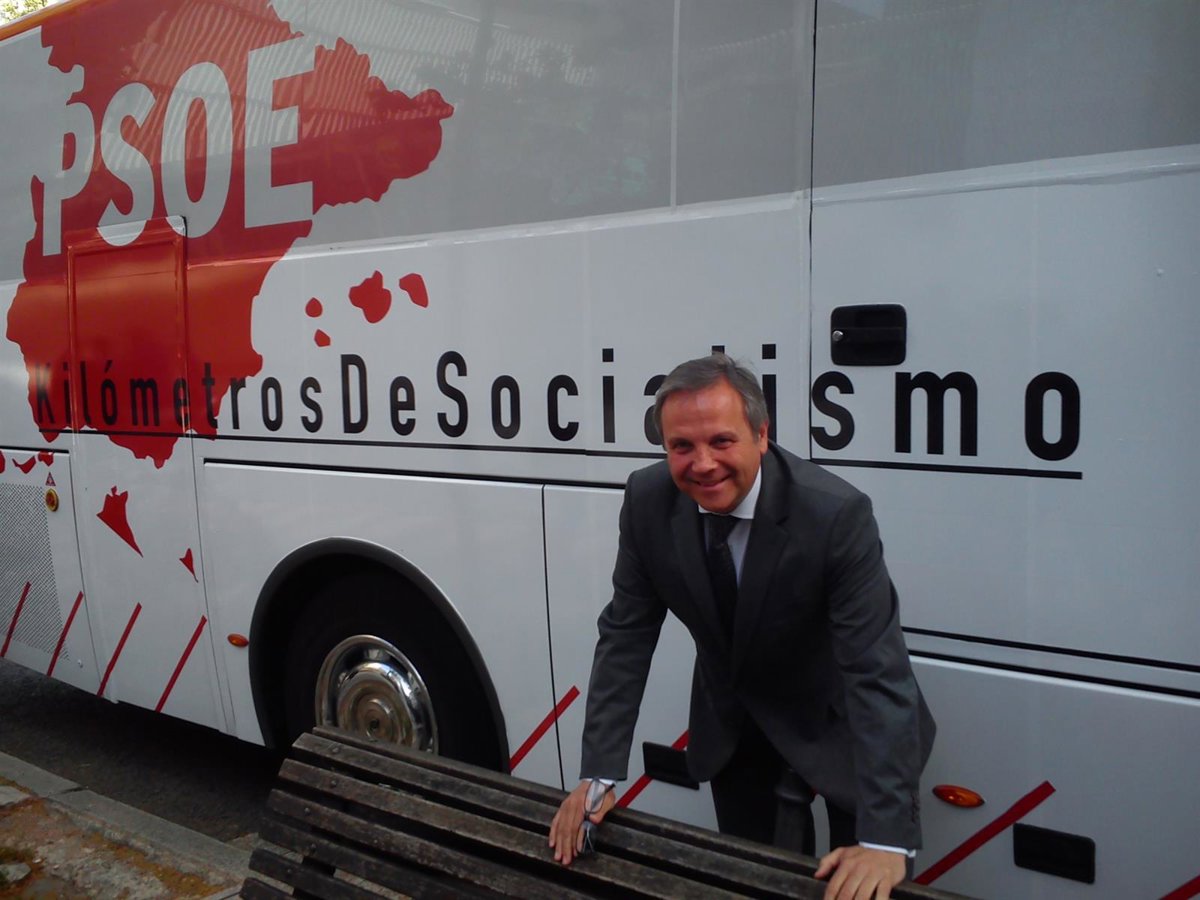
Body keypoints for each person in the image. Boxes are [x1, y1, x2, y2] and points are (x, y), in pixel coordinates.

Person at [548, 353, 935, 900]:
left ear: (761, 435)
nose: (703, 464)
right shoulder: (647, 501)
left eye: (721, 441)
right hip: (739, 729)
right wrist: (598, 777)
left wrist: (887, 840)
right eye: (682, 446)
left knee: (866, 884)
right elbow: (626, 635)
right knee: (750, 884)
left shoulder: (835, 515)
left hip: (846, 727)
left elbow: (876, 670)